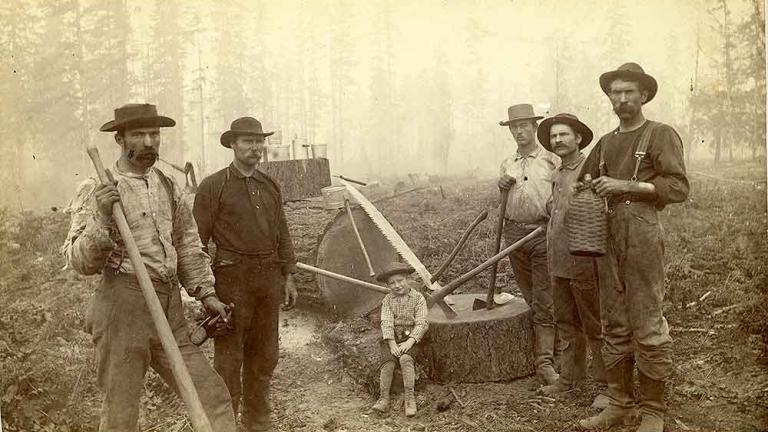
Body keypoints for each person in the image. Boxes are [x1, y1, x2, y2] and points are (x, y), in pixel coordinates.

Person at [62, 103, 236, 431]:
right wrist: (102, 216)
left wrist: (205, 293)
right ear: (120, 139)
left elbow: (186, 244)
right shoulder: (98, 189)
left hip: (169, 311)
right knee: (121, 414)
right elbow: (79, 261)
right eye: (138, 134)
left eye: (154, 134)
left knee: (212, 398)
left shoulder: (168, 185)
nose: (148, 142)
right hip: (123, 309)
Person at [576, 63, 689, 432]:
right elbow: (585, 181)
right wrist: (586, 189)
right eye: (616, 93)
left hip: (641, 233)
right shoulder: (606, 143)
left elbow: (678, 187)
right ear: (609, 97)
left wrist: (627, 186)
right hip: (605, 236)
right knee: (614, 320)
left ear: (643, 95)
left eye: (629, 92)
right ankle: (620, 403)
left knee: (647, 320)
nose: (622, 99)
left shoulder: (660, 135)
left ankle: (653, 409)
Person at [193, 116, 298, 432]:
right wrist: (204, 288)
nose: (256, 147)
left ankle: (257, 419)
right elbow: (195, 239)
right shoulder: (214, 186)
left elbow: (282, 232)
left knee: (266, 352)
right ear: (233, 145)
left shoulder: (269, 185)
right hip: (231, 280)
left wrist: (288, 275)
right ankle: (224, 423)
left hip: (268, 278)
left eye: (259, 141)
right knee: (229, 356)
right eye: (248, 142)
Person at [535, 113, 608, 408]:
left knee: (594, 322)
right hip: (558, 259)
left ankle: (606, 384)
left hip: (583, 259)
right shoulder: (559, 171)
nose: (558, 141)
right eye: (553, 137)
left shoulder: (589, 169)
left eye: (564, 135)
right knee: (565, 320)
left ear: (578, 138)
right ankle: (570, 376)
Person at [497, 103, 561, 385]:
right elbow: (506, 200)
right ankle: (549, 348)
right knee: (530, 296)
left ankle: (545, 363)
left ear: (535, 127)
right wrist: (501, 186)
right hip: (514, 236)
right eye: (514, 127)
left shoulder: (551, 160)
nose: (519, 131)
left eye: (524, 126)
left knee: (545, 298)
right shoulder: (507, 163)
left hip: (541, 234)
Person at [371, 262, 429, 417]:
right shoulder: (388, 300)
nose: (396, 285)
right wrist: (391, 343)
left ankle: (410, 398)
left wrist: (410, 341)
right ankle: (384, 398)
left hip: (412, 337)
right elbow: (386, 321)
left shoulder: (418, 298)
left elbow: (422, 322)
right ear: (388, 285)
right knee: (388, 362)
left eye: (400, 281)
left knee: (405, 359)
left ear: (408, 279)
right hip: (394, 337)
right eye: (392, 283)